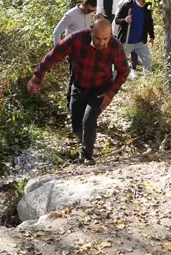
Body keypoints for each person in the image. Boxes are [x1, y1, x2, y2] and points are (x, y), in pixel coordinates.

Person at [27, 20, 129, 165]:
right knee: (76, 125)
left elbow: (124, 71)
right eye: (98, 38)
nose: (101, 43)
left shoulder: (114, 46)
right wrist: (37, 78)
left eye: (105, 39)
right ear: (91, 31)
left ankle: (87, 155)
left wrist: (110, 93)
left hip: (101, 88)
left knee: (89, 119)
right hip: (79, 84)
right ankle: (85, 140)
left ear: (110, 35)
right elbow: (53, 55)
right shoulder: (77, 39)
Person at [114, 0, 154, 75]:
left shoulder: (147, 8)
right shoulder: (127, 6)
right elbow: (117, 20)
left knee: (147, 60)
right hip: (127, 42)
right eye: (142, 0)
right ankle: (112, 81)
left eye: (146, 0)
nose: (144, 2)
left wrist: (151, 36)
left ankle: (148, 83)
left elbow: (150, 22)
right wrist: (125, 19)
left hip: (140, 42)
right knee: (119, 62)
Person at [113, 0, 139, 70]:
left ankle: (133, 69)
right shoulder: (123, 5)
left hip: (134, 34)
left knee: (134, 51)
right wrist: (125, 19)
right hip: (123, 32)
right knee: (121, 51)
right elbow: (117, 20)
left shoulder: (139, 7)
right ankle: (117, 68)